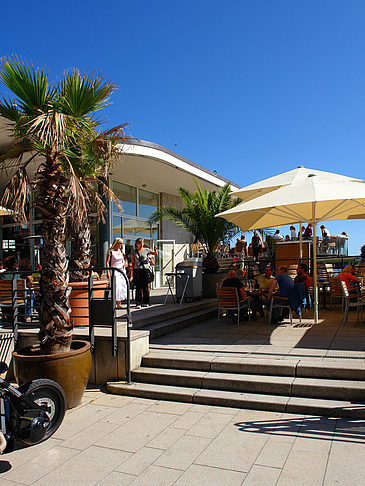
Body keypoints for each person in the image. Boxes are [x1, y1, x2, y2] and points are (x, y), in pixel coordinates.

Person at [131, 238, 158, 308]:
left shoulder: (146, 250)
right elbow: (133, 263)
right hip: (137, 270)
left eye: (142, 243)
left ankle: (146, 302)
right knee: (138, 287)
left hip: (145, 270)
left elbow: (155, 254)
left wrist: (155, 249)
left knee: (145, 286)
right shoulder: (134, 252)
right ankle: (138, 303)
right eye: (140, 243)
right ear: (137, 244)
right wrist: (132, 273)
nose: (142, 244)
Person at [106, 238, 128, 309]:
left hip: (122, 270)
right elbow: (107, 262)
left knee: (122, 286)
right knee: (116, 286)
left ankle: (119, 303)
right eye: (120, 243)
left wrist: (125, 263)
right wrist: (108, 272)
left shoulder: (121, 251)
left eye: (122, 243)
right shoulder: (110, 251)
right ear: (116, 243)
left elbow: (125, 258)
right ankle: (113, 302)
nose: (121, 245)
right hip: (114, 270)